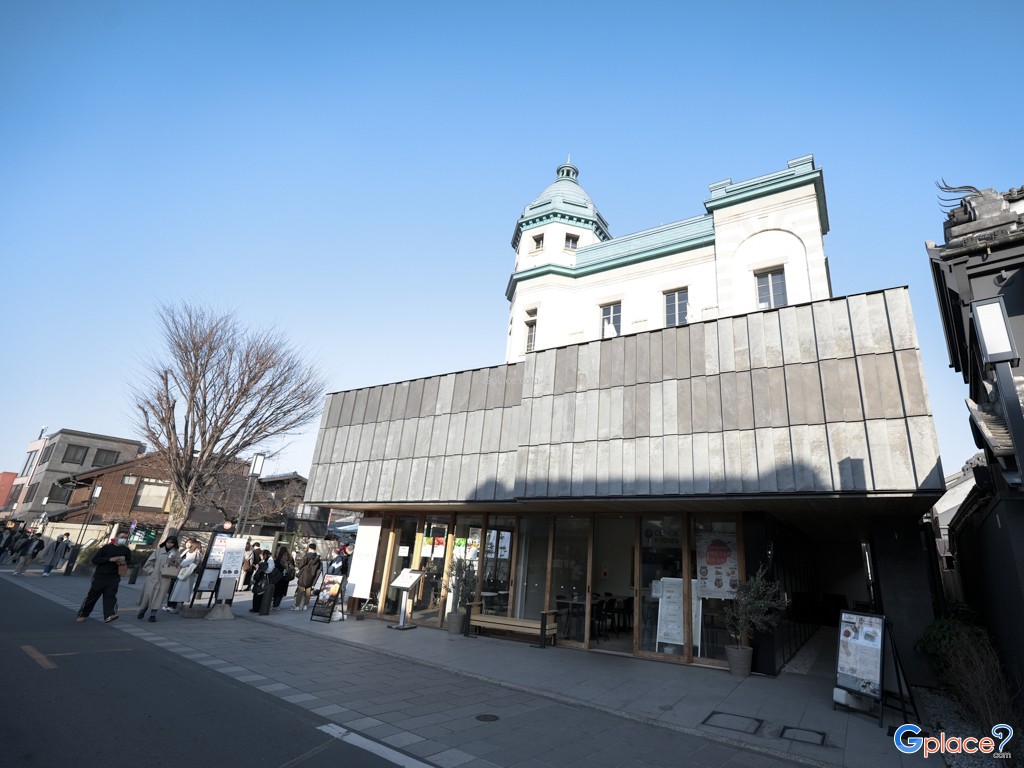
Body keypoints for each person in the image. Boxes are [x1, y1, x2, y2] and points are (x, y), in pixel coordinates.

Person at [76, 533, 133, 623]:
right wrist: (110, 559)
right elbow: (95, 560)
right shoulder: (106, 548)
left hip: (114, 576)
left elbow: (128, 562)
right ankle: (83, 614)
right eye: (122, 537)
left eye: (126, 538)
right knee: (92, 596)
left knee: (110, 596)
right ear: (116, 538)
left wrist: (123, 561)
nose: (124, 539)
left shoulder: (126, 550)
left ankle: (110, 615)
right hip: (100, 576)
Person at [136, 536, 180, 622]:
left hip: (165, 578)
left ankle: (153, 615)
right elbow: (149, 562)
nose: (170, 544)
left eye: (172, 543)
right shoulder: (159, 551)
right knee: (148, 595)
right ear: (165, 542)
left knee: (159, 597)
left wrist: (173, 560)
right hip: (153, 577)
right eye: (168, 542)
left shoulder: (176, 553)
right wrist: (151, 571)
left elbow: (178, 565)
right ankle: (142, 611)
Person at [167, 537, 202, 611]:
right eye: (187, 542)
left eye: (190, 543)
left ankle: (177, 608)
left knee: (181, 592)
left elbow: (182, 563)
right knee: (179, 591)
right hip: (184, 574)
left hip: (185, 575)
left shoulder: (194, 554)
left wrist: (175, 560)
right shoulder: (188, 551)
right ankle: (175, 607)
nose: (188, 544)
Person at [292, 544, 322, 611]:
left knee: (300, 590)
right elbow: (319, 568)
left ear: (310, 548)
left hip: (304, 575)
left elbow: (300, 566)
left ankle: (297, 606)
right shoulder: (317, 558)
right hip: (312, 576)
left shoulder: (307, 556)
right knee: (308, 591)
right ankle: (305, 605)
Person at [270, 545, 294, 611]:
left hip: (279, 578)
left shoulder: (278, 559)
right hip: (286, 577)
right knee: (281, 592)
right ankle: (277, 605)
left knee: (277, 591)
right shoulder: (290, 558)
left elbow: (275, 568)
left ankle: (275, 605)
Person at [250, 549, 274, 614]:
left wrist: (261, 568)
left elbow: (269, 569)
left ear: (265, 555)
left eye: (261, 555)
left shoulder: (270, 560)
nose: (260, 557)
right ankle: (255, 607)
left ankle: (256, 608)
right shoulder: (266, 560)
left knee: (259, 593)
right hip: (260, 579)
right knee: (257, 593)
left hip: (263, 580)